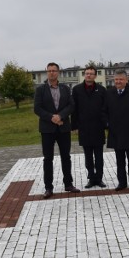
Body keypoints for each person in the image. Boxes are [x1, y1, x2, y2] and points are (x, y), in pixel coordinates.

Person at [34, 62, 80, 199]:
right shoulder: (40, 90)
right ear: (46, 72)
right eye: (49, 71)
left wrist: (61, 116)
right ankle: (48, 187)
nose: (52, 73)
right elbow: (37, 108)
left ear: (58, 72)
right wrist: (52, 118)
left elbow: (71, 105)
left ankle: (68, 184)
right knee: (48, 158)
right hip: (47, 129)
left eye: (54, 70)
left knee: (66, 157)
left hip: (63, 127)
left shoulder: (65, 88)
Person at [104, 70, 129, 191]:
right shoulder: (109, 93)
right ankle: (122, 182)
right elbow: (104, 111)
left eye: (121, 79)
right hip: (116, 131)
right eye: (116, 79)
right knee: (119, 159)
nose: (118, 82)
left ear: (126, 80)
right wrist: (107, 124)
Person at [71, 66, 107, 188]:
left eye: (91, 74)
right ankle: (91, 178)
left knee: (99, 156)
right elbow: (74, 109)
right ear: (84, 75)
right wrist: (74, 126)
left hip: (98, 128)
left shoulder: (102, 90)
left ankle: (99, 178)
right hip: (84, 128)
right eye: (87, 73)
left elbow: (105, 109)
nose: (89, 75)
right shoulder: (76, 90)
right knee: (88, 156)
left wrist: (105, 123)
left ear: (95, 76)